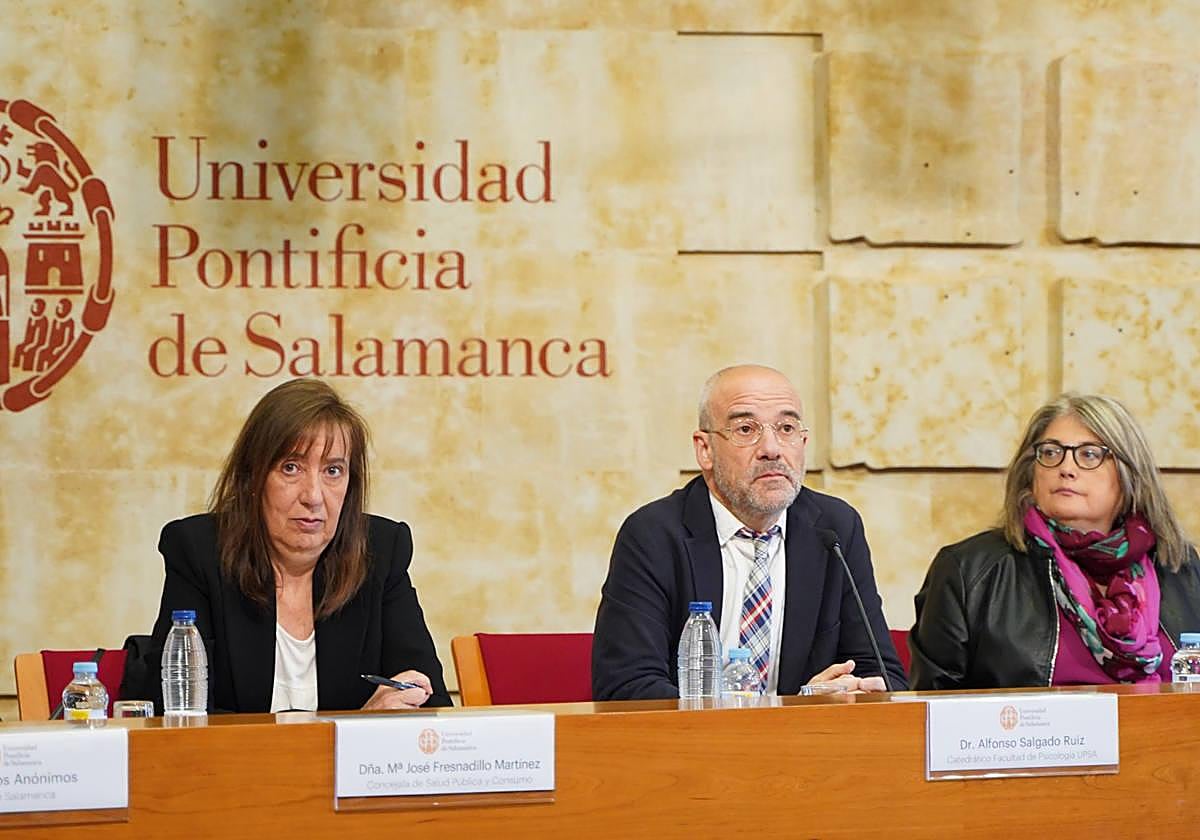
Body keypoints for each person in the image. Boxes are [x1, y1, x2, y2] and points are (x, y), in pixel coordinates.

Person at [592, 365, 907, 700]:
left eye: (786, 428)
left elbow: (881, 672)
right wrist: (772, 716)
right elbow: (626, 684)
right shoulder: (654, 534)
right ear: (705, 450)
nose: (772, 448)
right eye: (746, 429)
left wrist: (852, 688)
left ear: (803, 442)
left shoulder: (834, 528)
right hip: (692, 747)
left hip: (805, 746)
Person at [140, 378, 451, 712]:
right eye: (291, 468)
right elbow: (178, 712)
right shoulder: (199, 552)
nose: (313, 496)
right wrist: (355, 727)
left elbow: (431, 701)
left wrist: (398, 708)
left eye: (333, 470)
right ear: (253, 478)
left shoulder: (381, 552)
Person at [910, 393, 1200, 690]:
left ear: (1129, 473)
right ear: (1031, 472)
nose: (1066, 468)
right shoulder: (969, 571)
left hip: (1165, 734)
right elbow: (930, 713)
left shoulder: (1179, 565)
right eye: (1050, 453)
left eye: (1089, 454)